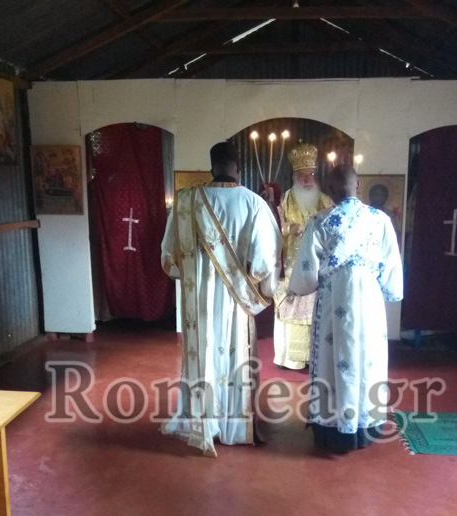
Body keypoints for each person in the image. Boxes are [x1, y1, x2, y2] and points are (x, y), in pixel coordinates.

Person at [160, 142, 282, 457]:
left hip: (198, 301)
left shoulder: (186, 201)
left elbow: (169, 258)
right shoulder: (254, 203)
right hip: (236, 303)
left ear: (212, 166)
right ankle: (233, 428)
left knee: (204, 356)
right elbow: (265, 263)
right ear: (238, 167)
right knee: (233, 359)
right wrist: (261, 286)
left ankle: (200, 422)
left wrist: (193, 272)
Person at [289, 164, 403, 453]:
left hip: (333, 302)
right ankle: (365, 427)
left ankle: (332, 428)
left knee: (333, 359)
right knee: (367, 359)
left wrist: (298, 288)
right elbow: (391, 267)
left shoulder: (319, 221)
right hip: (369, 304)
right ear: (358, 186)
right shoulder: (380, 220)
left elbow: (306, 274)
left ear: (329, 190)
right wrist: (387, 289)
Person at [273, 143, 333, 370]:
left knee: (316, 311)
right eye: (302, 176)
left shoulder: (325, 200)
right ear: (295, 177)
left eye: (311, 175)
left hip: (317, 267)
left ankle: (313, 357)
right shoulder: (284, 200)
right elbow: (274, 227)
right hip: (291, 266)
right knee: (290, 311)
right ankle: (290, 359)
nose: (307, 180)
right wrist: (289, 228)